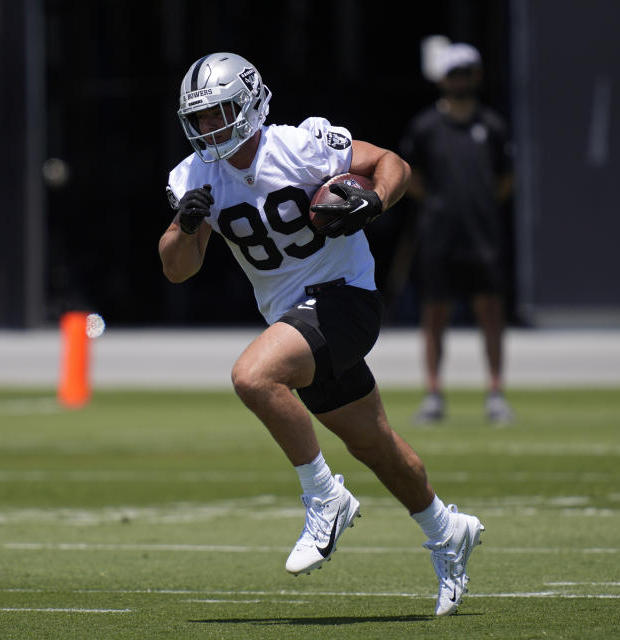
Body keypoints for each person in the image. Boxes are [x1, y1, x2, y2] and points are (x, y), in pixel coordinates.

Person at [159, 52, 483, 616]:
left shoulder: (301, 144)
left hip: (345, 299)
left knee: (252, 376)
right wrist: (186, 226)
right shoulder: (192, 177)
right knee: (374, 446)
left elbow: (393, 164)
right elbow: (176, 267)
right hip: (296, 321)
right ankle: (447, 528)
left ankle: (324, 497)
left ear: (249, 102)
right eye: (202, 117)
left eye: (220, 112)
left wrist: (375, 200)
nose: (210, 126)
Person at [399, 43, 515, 425]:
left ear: (476, 75)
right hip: (439, 237)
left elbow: (505, 179)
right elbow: (409, 175)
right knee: (434, 315)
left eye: (467, 72)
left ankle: (495, 393)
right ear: (442, 79)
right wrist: (439, 205)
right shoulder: (425, 127)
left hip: (484, 236)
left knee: (491, 314)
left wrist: (476, 204)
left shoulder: (493, 127)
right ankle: (433, 394)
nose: (461, 79)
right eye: (454, 73)